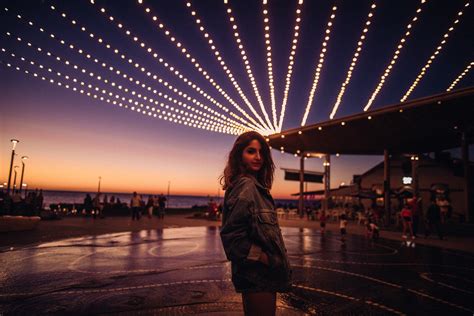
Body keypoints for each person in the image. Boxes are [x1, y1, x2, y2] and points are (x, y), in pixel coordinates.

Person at [220, 131, 291, 316]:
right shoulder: (246, 187)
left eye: (261, 153)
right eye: (251, 151)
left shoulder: (255, 187)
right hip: (258, 277)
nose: (258, 157)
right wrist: (264, 258)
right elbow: (232, 238)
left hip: (260, 276)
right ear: (239, 155)